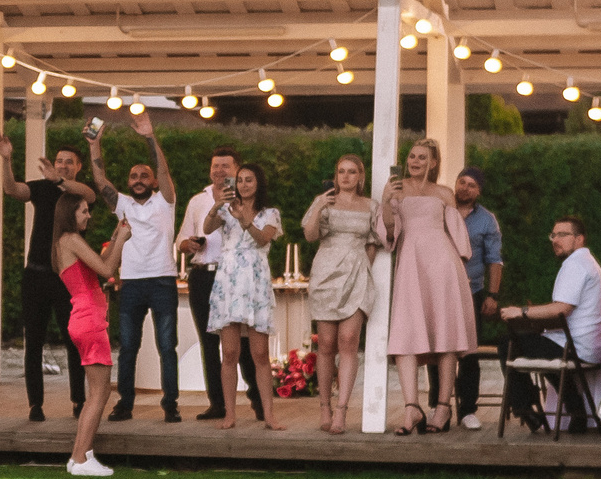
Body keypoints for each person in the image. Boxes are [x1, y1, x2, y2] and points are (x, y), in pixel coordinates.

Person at [0, 100, 96, 423]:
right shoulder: (41, 188)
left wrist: (58, 181)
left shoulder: (79, 193)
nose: (62, 165)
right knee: (33, 341)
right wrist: (6, 159)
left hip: (67, 277)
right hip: (36, 275)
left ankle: (79, 401)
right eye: (59, 162)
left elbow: (90, 196)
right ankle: (35, 404)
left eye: (68, 162)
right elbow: (12, 190)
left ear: (77, 167)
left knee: (73, 339)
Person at [380, 138, 477, 436]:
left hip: (443, 266)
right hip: (410, 264)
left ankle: (443, 406)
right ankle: (412, 407)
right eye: (412, 156)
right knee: (406, 333)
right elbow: (388, 232)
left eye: (422, 157)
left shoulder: (444, 193)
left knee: (445, 334)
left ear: (433, 163)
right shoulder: (397, 189)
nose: (415, 161)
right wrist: (386, 199)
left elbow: (460, 241)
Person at [91, 110, 178, 425]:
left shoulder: (164, 202)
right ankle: (124, 404)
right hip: (130, 284)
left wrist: (150, 137)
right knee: (128, 348)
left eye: (144, 176)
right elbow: (100, 181)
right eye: (133, 177)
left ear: (153, 181)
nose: (138, 180)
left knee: (167, 347)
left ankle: (171, 405)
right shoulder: (123, 204)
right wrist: (94, 144)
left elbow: (165, 172)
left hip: (163, 282)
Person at [497, 219, 601, 431]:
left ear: (579, 239)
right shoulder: (588, 262)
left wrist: (521, 312)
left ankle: (526, 410)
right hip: (590, 346)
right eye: (553, 235)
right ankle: (576, 411)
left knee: (508, 344)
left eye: (562, 235)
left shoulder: (576, 264)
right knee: (541, 346)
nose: (555, 240)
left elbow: (561, 309)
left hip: (578, 347)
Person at [177, 145, 264, 424]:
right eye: (215, 166)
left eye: (225, 167)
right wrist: (188, 245)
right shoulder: (197, 200)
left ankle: (259, 401)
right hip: (203, 274)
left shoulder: (247, 200)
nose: (219, 171)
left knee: (242, 340)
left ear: (237, 169)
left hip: (233, 276)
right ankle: (218, 404)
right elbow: (181, 240)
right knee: (209, 342)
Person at [203, 158, 286, 432]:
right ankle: (230, 414)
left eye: (249, 179)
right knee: (229, 352)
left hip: (255, 279)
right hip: (228, 279)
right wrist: (218, 205)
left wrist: (245, 221)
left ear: (258, 183)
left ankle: (270, 415)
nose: (243, 184)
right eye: (240, 180)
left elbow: (264, 239)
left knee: (260, 353)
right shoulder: (227, 209)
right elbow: (206, 228)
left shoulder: (270, 212)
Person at [301, 153, 378, 435]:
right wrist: (320, 204)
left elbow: (374, 242)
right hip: (326, 272)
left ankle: (342, 411)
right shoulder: (325, 201)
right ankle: (324, 405)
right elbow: (310, 235)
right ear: (336, 175)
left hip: (356, 273)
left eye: (352, 172)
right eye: (341, 171)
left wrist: (362, 268)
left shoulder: (370, 205)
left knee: (349, 341)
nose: (346, 176)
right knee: (326, 344)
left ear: (360, 177)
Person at [53, 188, 129, 473]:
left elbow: (100, 262)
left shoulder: (66, 242)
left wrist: (116, 233)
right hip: (89, 320)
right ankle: (82, 458)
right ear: (70, 213)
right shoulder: (70, 239)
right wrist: (121, 238)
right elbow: (107, 268)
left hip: (85, 319)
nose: (88, 215)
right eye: (84, 210)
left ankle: (79, 456)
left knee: (97, 392)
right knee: (99, 392)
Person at [452, 167, 504, 429]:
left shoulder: (487, 220)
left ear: (479, 191)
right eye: (462, 182)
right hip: (442, 291)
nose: (465, 188)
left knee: (469, 353)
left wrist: (492, 295)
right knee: (439, 348)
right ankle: (435, 406)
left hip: (472, 291)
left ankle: (468, 410)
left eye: (471, 185)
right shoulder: (441, 211)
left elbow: (494, 260)